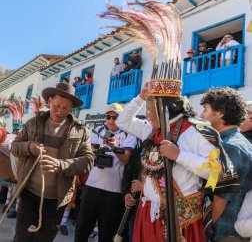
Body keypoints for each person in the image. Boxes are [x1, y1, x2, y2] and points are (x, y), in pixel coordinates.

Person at [116, 83, 216, 242]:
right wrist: (140, 98)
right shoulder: (149, 130)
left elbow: (215, 171)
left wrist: (179, 156)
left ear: (165, 108)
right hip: (148, 213)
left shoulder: (196, 131)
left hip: (179, 219)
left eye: (150, 109)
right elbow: (122, 121)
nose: (147, 115)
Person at [11, 82, 94, 242]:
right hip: (29, 194)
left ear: (71, 108)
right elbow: (14, 147)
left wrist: (61, 165)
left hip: (56, 200)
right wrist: (30, 146)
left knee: (44, 239)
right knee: (22, 238)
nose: (60, 111)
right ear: (49, 102)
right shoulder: (33, 123)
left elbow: (88, 161)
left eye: (65, 108)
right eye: (57, 106)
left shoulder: (81, 131)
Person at [75, 103, 137, 242]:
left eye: (115, 117)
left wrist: (114, 146)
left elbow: (126, 160)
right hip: (92, 186)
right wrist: (94, 151)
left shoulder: (128, 133)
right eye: (108, 117)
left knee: (107, 233)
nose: (110, 120)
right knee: (82, 229)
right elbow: (88, 153)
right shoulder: (98, 129)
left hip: (114, 190)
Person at [200, 87, 252, 242]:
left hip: (225, 230)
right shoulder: (236, 141)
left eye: (205, 109)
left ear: (220, 113)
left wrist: (208, 228)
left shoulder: (230, 146)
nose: (202, 115)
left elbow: (221, 198)